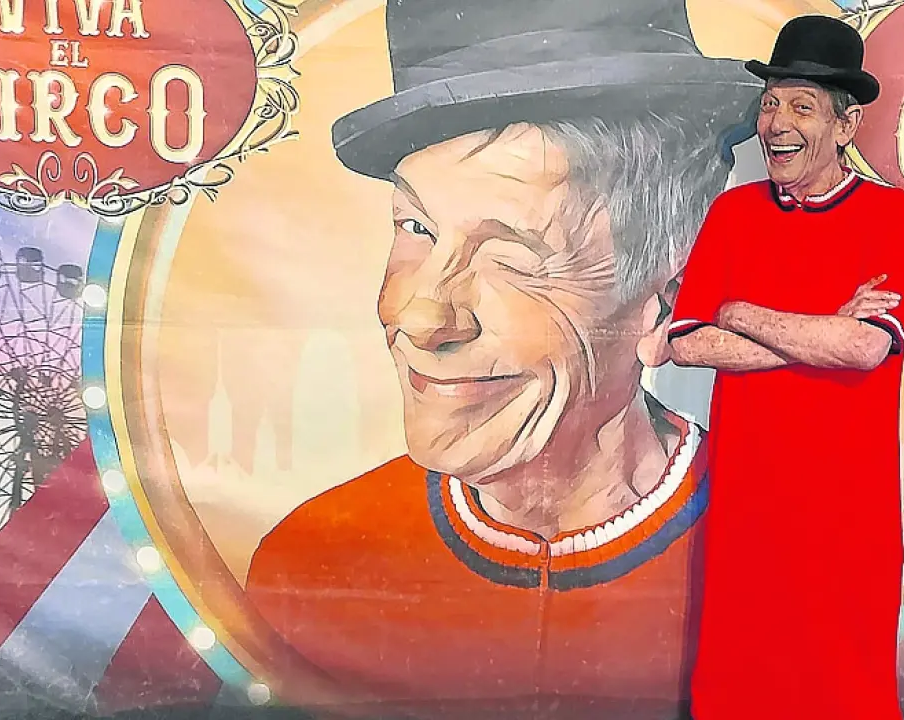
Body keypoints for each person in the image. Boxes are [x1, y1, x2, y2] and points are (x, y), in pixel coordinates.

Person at [244, 0, 760, 716]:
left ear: (667, 301)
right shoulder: (313, 565)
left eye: (511, 258)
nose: (421, 315)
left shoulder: (785, 561)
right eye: (416, 227)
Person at [666, 15, 904, 720]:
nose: (777, 124)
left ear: (846, 126)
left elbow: (866, 348)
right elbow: (687, 343)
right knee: (738, 686)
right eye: (770, 103)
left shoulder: (893, 216)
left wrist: (740, 311)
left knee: (845, 690)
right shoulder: (733, 214)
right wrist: (826, 325)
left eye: (802, 107)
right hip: (748, 514)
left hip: (848, 518)